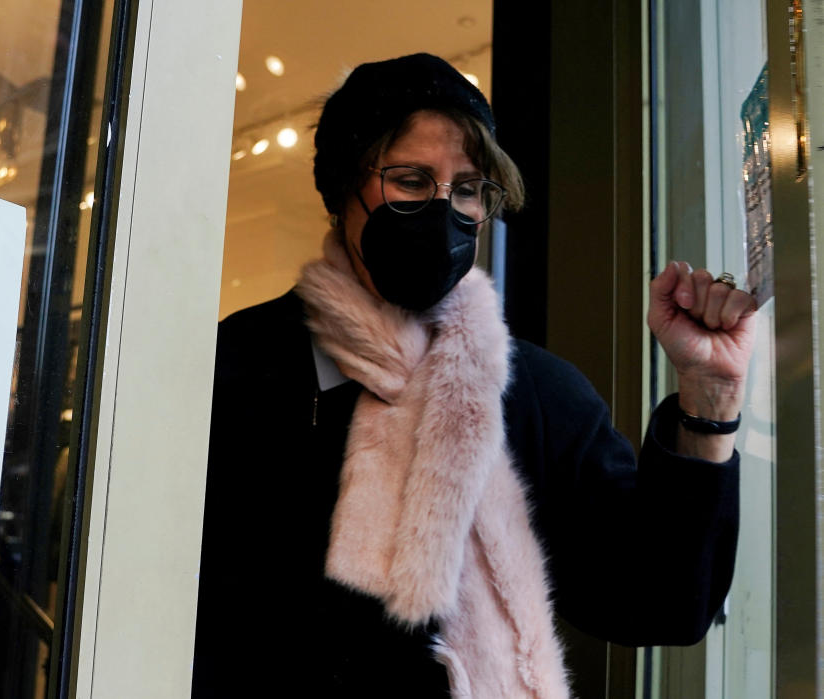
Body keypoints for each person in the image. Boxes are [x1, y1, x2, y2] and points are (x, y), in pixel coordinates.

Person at [192, 54, 753, 698]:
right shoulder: (240, 361)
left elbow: (656, 603)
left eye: (465, 190)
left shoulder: (534, 394)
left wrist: (712, 396)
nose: (443, 211)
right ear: (341, 189)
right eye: (410, 179)